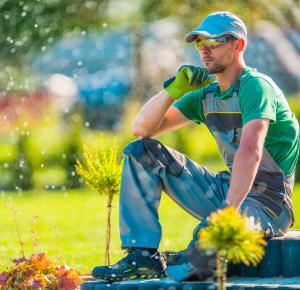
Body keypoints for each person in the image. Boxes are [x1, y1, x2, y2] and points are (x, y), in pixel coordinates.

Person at [92, 11, 299, 282]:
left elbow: (251, 151)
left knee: (195, 261)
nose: (204, 49)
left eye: (214, 41)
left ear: (238, 45)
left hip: (268, 203)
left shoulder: (257, 87)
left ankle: (184, 258)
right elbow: (142, 129)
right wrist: (173, 90)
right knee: (142, 152)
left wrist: (227, 213)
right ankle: (142, 256)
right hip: (229, 189)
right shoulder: (206, 95)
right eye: (200, 42)